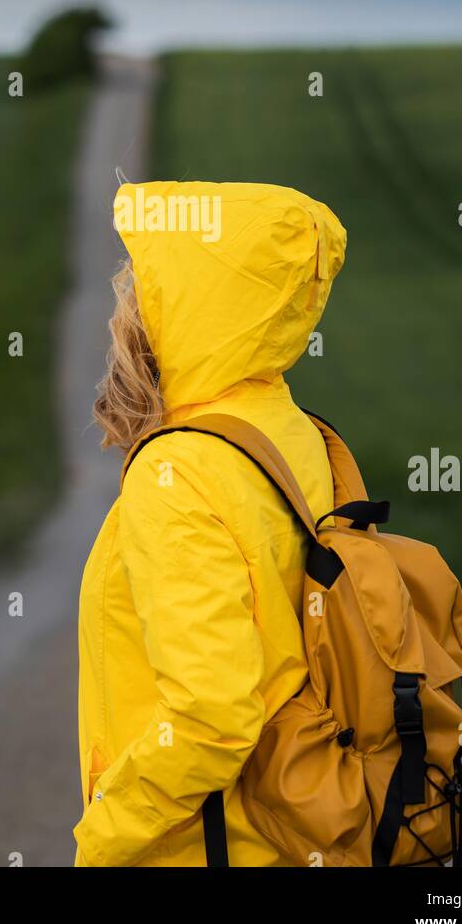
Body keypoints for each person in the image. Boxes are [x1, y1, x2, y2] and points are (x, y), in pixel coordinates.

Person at [73, 179, 347, 867]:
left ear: (192, 305)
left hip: (208, 849)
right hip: (296, 837)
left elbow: (214, 717)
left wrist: (102, 839)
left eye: (146, 283)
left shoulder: (179, 475)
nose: (127, 306)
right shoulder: (294, 434)